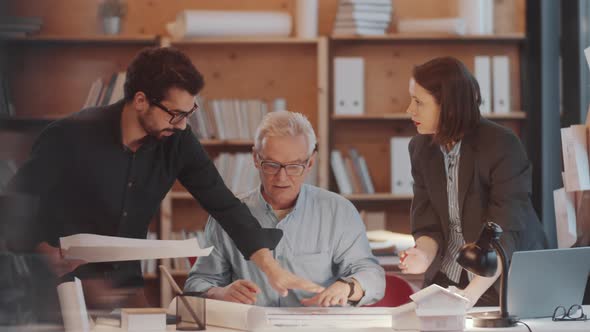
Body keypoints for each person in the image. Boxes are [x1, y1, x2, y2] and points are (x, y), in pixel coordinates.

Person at [5, 47, 322, 316]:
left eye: (189, 112)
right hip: (56, 296)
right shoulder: (68, 136)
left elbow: (224, 204)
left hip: (125, 295)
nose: (183, 125)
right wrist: (44, 252)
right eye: (175, 114)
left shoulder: (177, 141)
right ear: (141, 100)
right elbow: (13, 209)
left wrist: (270, 266)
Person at [184, 111, 385, 307]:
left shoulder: (338, 212)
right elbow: (196, 284)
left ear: (310, 163)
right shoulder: (227, 214)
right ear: (255, 158)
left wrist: (347, 287)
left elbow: (372, 276)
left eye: (294, 166)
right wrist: (220, 293)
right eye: (271, 165)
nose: (281, 178)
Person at [399, 56, 546, 307]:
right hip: (449, 278)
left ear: (449, 107)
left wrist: (469, 296)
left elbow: (506, 231)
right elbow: (428, 224)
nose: (409, 110)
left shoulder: (502, 144)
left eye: (418, 102)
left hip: (502, 281)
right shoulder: (420, 148)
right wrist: (422, 254)